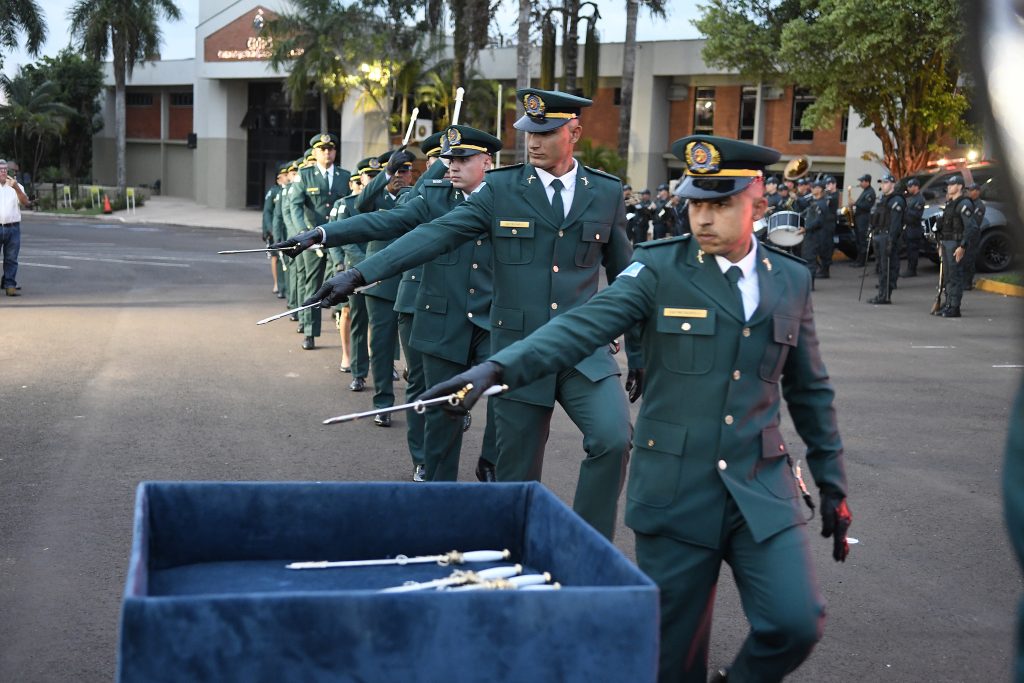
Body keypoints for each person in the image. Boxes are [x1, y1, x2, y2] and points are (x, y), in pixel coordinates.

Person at [419, 134, 851, 683]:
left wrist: (833, 486)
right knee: (672, 659)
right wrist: (496, 368)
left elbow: (811, 392)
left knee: (796, 622)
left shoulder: (790, 279)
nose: (704, 219)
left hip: (760, 488)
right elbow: (581, 325)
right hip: (676, 491)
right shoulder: (657, 270)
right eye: (697, 203)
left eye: (720, 204)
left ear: (757, 199)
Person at [305, 88, 640, 540]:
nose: (534, 141)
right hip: (519, 351)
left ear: (574, 132)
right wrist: (360, 274)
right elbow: (434, 236)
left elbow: (626, 278)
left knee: (613, 439)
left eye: (546, 131)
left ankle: (586, 547)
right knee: (516, 474)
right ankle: (512, 556)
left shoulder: (605, 191)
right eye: (528, 133)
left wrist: (637, 350)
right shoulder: (502, 190)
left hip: (584, 349)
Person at [277, 126, 504, 484]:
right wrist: (323, 233)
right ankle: (438, 491)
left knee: (508, 401)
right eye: (449, 159)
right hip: (442, 315)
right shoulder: (435, 195)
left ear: (487, 162)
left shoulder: (510, 196)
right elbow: (384, 221)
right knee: (441, 409)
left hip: (495, 317)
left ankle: (493, 466)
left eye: (461, 159)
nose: (451, 166)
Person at [288, 133, 351, 350]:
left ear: (335, 151)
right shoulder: (305, 175)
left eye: (330, 148)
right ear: (315, 152)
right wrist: (303, 232)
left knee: (342, 282)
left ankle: (343, 326)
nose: (326, 152)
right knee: (312, 286)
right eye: (322, 149)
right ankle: (309, 331)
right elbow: (295, 205)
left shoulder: (345, 176)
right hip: (312, 241)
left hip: (336, 239)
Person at [934, 175, 979, 318]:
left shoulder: (964, 203)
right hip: (946, 243)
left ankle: (955, 307)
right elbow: (945, 227)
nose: (948, 187)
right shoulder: (950, 204)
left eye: (951, 184)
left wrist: (963, 246)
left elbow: (970, 227)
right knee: (947, 276)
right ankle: (948, 304)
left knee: (955, 275)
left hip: (956, 244)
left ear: (959, 186)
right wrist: (940, 244)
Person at [866, 173, 905, 305]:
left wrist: (891, 240)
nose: (883, 185)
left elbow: (895, 223)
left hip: (888, 236)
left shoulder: (897, 200)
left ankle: (885, 295)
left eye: (886, 182)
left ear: (893, 184)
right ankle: (881, 293)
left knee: (888, 267)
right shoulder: (883, 199)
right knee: (881, 267)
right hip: (879, 235)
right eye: (882, 182)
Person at [0, 159, 30, 296]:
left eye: (6, 169)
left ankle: (10, 285)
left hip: (13, 228)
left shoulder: (16, 187)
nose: (4, 172)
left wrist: (16, 187)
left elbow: (26, 203)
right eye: (1, 169)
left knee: (11, 258)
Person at [263, 164, 289, 299]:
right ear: (278, 179)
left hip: (287, 228)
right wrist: (269, 229)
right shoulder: (274, 192)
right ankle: (277, 283)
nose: (286, 178)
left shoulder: (290, 190)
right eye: (284, 176)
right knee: (276, 256)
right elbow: (267, 212)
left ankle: (285, 285)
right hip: (276, 228)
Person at [963, 182, 986, 290]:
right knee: (964, 258)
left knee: (969, 258)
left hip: (973, 235)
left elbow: (974, 223)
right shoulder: (969, 203)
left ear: (977, 192)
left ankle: (967, 282)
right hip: (966, 234)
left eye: (971, 190)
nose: (968, 192)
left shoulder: (979, 206)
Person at [850, 173, 876, 268]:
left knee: (862, 240)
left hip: (863, 218)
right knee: (858, 240)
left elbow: (867, 206)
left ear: (867, 182)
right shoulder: (865, 191)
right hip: (859, 218)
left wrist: (855, 203)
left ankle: (862, 261)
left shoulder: (870, 192)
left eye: (862, 181)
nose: (860, 183)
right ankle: (858, 259)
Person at [901, 178, 925, 277]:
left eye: (910, 186)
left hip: (914, 227)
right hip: (909, 227)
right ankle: (910, 268)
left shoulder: (919, 199)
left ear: (916, 186)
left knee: (913, 250)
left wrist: (905, 211)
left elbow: (916, 215)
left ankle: (912, 269)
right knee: (909, 250)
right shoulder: (912, 198)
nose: (908, 188)